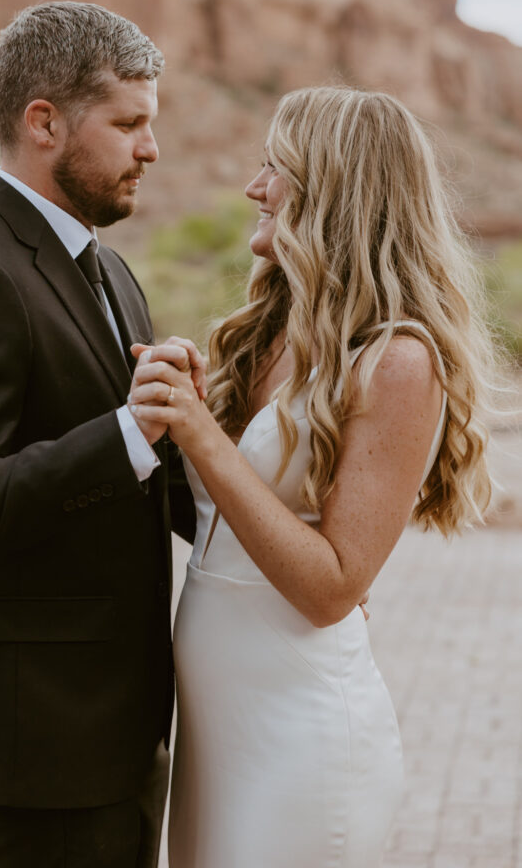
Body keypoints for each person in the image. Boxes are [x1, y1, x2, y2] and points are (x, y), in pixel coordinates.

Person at [127, 86, 496, 867]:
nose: (253, 187)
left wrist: (199, 432)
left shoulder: (398, 360)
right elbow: (227, 515)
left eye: (274, 165)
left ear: (333, 185)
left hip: (298, 742)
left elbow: (331, 588)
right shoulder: (273, 332)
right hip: (215, 731)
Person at [0, 1, 202, 868]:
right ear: (43, 122)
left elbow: (144, 468)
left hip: (118, 720)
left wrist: (278, 543)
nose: (151, 147)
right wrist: (128, 434)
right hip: (38, 734)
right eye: (129, 123)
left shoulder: (109, 270)